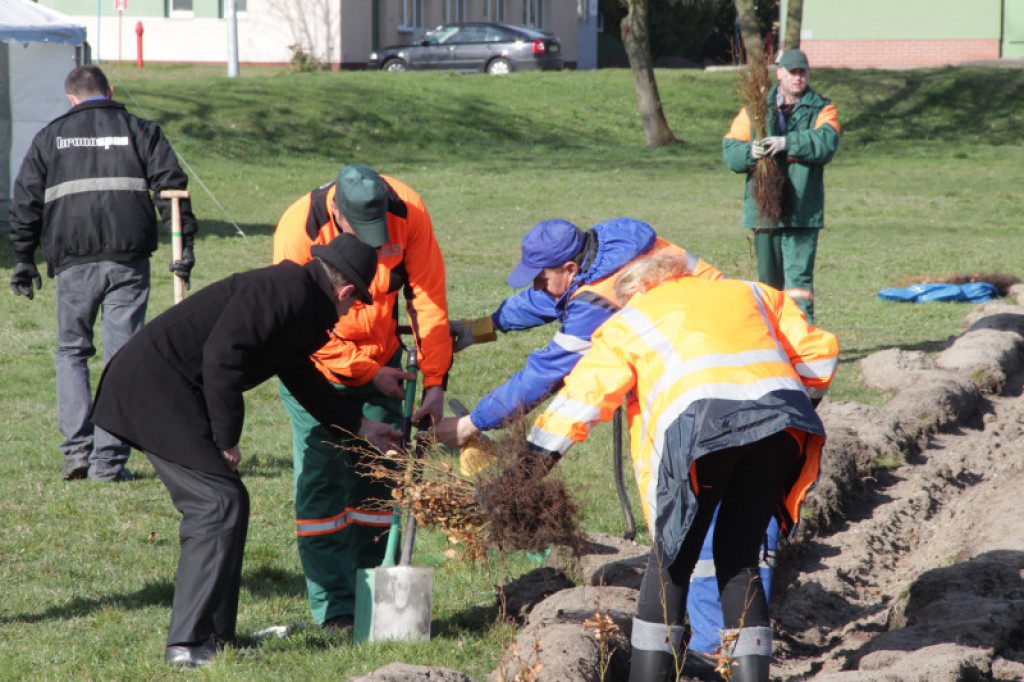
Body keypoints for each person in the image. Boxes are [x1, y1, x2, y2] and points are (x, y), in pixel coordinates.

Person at [90, 234, 400, 667]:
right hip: (151, 386)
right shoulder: (287, 291)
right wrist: (226, 438)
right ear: (345, 291)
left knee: (228, 502)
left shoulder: (300, 298)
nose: (351, 311)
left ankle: (215, 638)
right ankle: (187, 645)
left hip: (170, 387)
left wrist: (361, 426)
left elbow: (298, 374)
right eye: (355, 302)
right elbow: (222, 355)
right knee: (216, 503)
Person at [523, 255, 838, 682]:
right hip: (782, 429)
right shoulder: (752, 292)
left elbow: (584, 398)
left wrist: (527, 468)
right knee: (740, 557)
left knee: (671, 559)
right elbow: (819, 359)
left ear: (638, 291)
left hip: (701, 435)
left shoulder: (631, 320)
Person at [272, 163, 452, 632]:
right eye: (361, 232)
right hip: (317, 365)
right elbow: (296, 324)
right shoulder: (299, 227)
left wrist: (434, 383)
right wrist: (366, 371)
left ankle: (373, 591)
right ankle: (335, 608)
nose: (374, 243)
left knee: (378, 480)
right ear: (337, 211)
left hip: (385, 361)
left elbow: (428, 299)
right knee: (323, 485)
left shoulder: (408, 209)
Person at [8, 64, 198, 482]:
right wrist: (186, 246)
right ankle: (109, 464)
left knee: (72, 351)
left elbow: (25, 202)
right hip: (128, 259)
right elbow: (172, 190)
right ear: (109, 91)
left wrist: (24, 257)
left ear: (71, 98)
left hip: (73, 260)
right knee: (123, 357)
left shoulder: (50, 136)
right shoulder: (141, 129)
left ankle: (77, 451)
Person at [435, 217, 722, 449]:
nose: (536, 286)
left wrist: (470, 424)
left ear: (570, 268)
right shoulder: (605, 250)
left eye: (541, 278)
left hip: (709, 360)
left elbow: (545, 374)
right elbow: (550, 297)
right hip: (722, 329)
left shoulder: (597, 300)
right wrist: (483, 327)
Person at [723, 48, 840, 324]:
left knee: (799, 283)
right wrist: (750, 152)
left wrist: (787, 143)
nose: (799, 77)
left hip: (802, 210)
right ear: (780, 74)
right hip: (764, 210)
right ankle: (774, 345)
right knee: (768, 284)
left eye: (803, 72)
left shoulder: (823, 108)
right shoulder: (755, 109)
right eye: (793, 72)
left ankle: (802, 347)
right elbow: (730, 152)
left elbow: (826, 143)